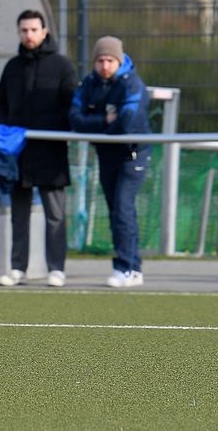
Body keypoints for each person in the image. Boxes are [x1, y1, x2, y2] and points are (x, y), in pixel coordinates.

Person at [0, 10, 76, 288]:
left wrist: (52, 128)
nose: (29, 35)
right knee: (19, 215)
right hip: (19, 154)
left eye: (33, 30)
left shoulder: (62, 66)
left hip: (51, 153)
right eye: (24, 30)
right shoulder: (13, 67)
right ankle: (18, 268)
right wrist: (6, 132)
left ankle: (57, 268)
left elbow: (70, 105)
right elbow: (0, 104)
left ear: (44, 32)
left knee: (55, 215)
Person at [69, 36, 151, 288]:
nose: (105, 66)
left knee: (123, 209)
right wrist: (104, 122)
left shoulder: (132, 84)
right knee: (117, 211)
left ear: (119, 60)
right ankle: (132, 266)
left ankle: (125, 267)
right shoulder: (89, 84)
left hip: (132, 155)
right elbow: (75, 119)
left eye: (110, 60)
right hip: (107, 155)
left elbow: (128, 122)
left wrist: (96, 125)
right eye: (100, 60)